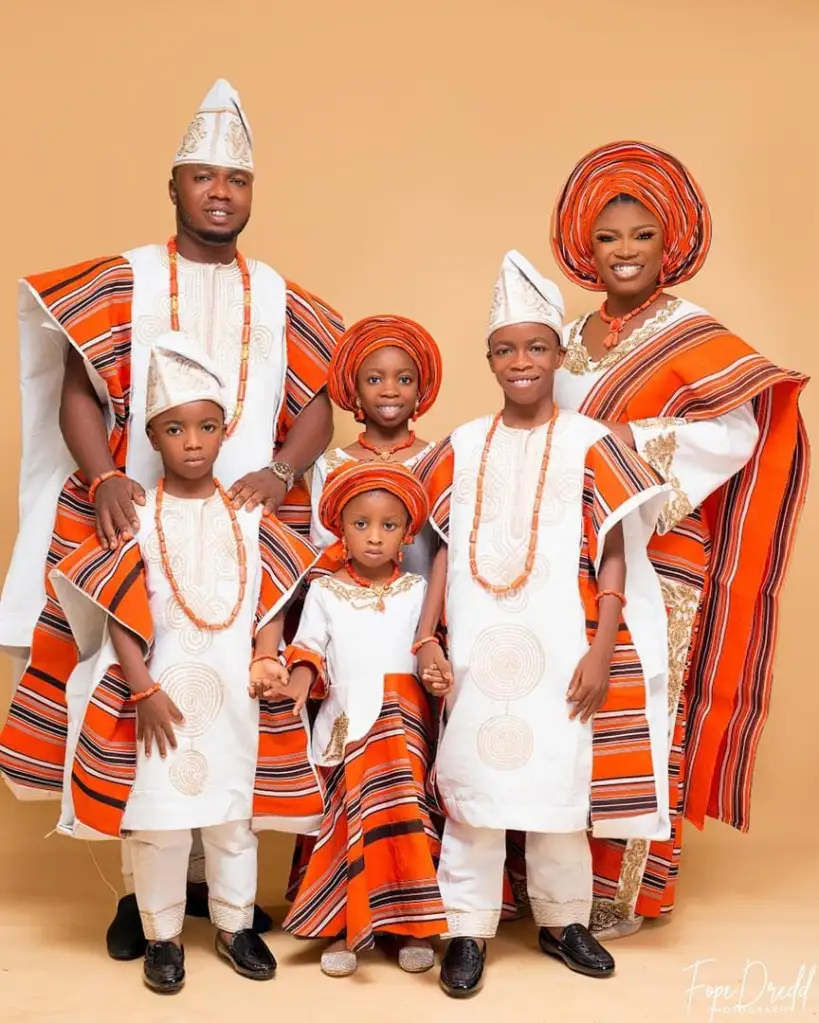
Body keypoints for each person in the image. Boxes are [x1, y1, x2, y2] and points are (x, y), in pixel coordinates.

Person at [0, 78, 345, 959]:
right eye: (202, 175)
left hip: (240, 539)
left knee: (226, 701)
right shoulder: (127, 277)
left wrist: (280, 470)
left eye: (236, 178)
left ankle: (212, 899)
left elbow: (318, 401)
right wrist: (104, 474)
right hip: (140, 527)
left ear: (251, 193)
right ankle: (144, 899)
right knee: (130, 699)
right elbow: (82, 386)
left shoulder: (279, 295)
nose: (219, 192)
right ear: (174, 186)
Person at [498, 139, 808, 940]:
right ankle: (554, 883)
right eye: (608, 237)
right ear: (583, 248)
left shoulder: (694, 330)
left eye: (641, 235)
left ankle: (624, 895)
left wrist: (611, 451)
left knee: (644, 714)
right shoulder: (560, 337)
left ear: (669, 243)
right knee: (565, 704)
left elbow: (732, 433)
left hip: (661, 557)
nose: (625, 251)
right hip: (571, 559)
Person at [413, 251, 671, 997]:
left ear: (558, 353)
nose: (519, 361)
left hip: (562, 647)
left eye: (534, 347)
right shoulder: (461, 445)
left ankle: (562, 921)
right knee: (473, 790)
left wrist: (600, 648)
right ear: (488, 358)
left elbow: (614, 548)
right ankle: (466, 927)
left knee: (560, 789)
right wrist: (427, 635)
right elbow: (434, 551)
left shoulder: (590, 441)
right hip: (477, 650)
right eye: (504, 349)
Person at [49, 338, 323, 993]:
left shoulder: (251, 515)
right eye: (174, 429)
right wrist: (141, 690)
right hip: (159, 697)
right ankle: (162, 937)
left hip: (234, 694)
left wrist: (265, 653)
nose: (192, 442)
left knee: (233, 819)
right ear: (151, 435)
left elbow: (271, 597)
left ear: (226, 432)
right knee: (162, 825)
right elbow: (120, 606)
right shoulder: (137, 515)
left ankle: (234, 926)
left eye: (205, 427)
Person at [257, 460, 445, 977]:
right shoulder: (324, 591)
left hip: (404, 722)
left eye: (389, 526)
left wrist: (436, 677)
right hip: (346, 721)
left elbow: (426, 646)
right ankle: (344, 930)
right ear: (341, 529)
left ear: (408, 533)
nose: (375, 538)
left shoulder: (416, 591)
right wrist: (297, 684)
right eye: (361, 525)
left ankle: (410, 926)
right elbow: (308, 648)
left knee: (405, 822)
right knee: (347, 827)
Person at [310, 314, 443, 579]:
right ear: (355, 390)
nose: (390, 390)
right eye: (374, 380)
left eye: (404, 380)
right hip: (351, 609)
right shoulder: (331, 463)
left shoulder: (439, 459)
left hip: (424, 609)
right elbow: (324, 550)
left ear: (420, 390)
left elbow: (448, 547)